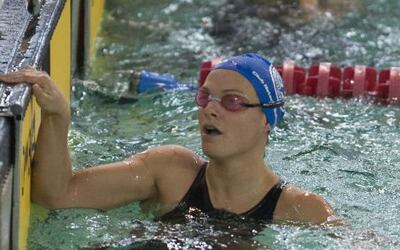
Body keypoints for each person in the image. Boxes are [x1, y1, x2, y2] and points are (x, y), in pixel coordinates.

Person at [0, 53, 334, 224]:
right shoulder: (170, 171)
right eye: (205, 98)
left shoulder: (302, 209)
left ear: (267, 120)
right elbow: (57, 194)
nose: (211, 111)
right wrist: (59, 115)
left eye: (232, 101)